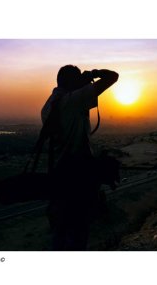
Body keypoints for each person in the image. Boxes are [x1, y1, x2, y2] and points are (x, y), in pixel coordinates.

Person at [41, 65, 119, 250]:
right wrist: (94, 74)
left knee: (62, 229)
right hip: (76, 176)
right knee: (77, 231)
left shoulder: (50, 103)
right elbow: (113, 77)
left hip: (59, 172)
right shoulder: (73, 100)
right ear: (71, 82)